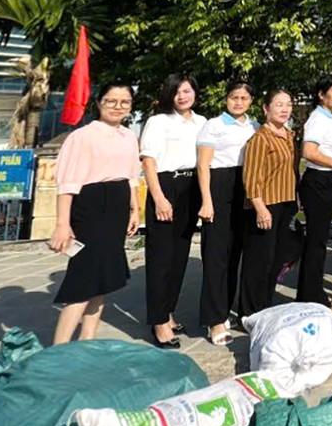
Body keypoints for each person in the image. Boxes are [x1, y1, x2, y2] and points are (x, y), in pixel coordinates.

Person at [49, 83, 140, 345]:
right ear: (99, 102)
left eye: (124, 102)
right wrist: (62, 225)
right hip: (90, 208)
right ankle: (60, 347)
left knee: (104, 278)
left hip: (117, 206)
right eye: (111, 101)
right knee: (84, 278)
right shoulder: (83, 136)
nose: (118, 107)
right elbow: (67, 184)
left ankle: (88, 338)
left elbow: (131, 176)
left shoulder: (129, 136)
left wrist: (135, 209)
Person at [139, 73, 205, 348]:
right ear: (169, 95)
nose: (182, 96)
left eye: (187, 91)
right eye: (177, 92)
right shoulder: (158, 121)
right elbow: (148, 161)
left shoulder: (202, 122)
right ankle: (158, 322)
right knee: (161, 259)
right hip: (167, 186)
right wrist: (159, 197)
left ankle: (168, 312)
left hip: (193, 187)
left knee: (179, 256)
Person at [195, 80, 257, 345]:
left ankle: (230, 309)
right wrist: (206, 201)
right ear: (226, 99)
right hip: (219, 189)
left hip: (245, 189)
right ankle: (215, 319)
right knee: (216, 257)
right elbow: (203, 165)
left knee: (236, 256)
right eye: (234, 97)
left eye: (244, 98)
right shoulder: (213, 125)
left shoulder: (255, 126)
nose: (239, 102)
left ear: (251, 101)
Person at [297, 76, 332, 309]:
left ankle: (310, 293)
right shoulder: (317, 119)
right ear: (321, 94)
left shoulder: (331, 118)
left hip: (328, 181)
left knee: (318, 241)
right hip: (318, 181)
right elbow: (309, 151)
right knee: (316, 243)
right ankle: (312, 296)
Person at [239, 89, 298, 319]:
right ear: (265, 108)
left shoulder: (289, 135)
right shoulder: (260, 139)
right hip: (265, 205)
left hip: (286, 203)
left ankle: (266, 304)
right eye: (279, 104)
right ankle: (250, 313)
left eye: (288, 104)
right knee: (258, 262)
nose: (285, 109)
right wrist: (260, 207)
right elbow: (251, 177)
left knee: (276, 260)